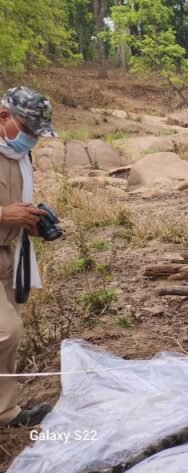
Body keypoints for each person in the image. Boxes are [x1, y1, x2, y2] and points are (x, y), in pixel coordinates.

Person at [0, 87, 55, 428]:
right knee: (6, 331)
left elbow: (18, 202)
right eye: (29, 129)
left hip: (9, 254)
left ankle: (6, 412)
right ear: (4, 116)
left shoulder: (17, 154)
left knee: (10, 337)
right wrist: (4, 214)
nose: (32, 138)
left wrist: (32, 221)